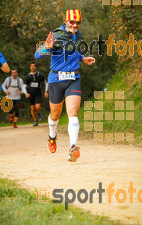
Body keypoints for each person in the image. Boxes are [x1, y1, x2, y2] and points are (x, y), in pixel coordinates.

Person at [35, 9, 95, 162]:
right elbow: (37, 55)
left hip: (73, 78)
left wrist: (83, 58)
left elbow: (72, 53)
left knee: (73, 113)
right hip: (56, 79)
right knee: (55, 115)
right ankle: (52, 136)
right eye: (72, 22)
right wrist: (46, 47)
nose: (75, 25)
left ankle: (73, 147)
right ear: (66, 21)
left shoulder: (78, 36)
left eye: (78, 23)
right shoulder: (57, 35)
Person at [24, 61, 48, 126]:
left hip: (38, 93)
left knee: (37, 107)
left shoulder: (39, 75)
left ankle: (39, 113)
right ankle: (35, 121)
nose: (33, 67)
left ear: (36, 67)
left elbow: (46, 82)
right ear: (30, 68)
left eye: (34, 66)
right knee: (32, 108)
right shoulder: (28, 76)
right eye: (31, 66)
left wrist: (46, 91)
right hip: (30, 94)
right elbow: (24, 86)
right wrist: (26, 93)